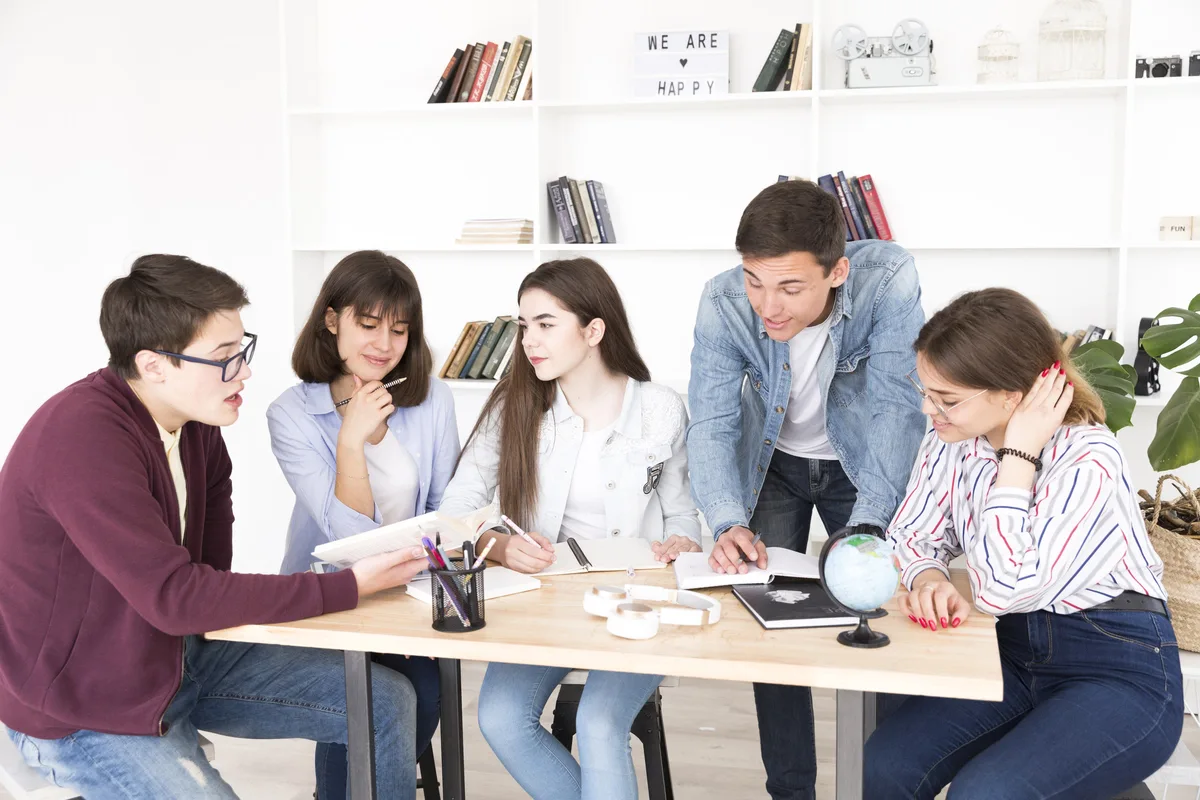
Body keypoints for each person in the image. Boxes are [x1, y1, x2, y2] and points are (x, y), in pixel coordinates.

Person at [0, 255, 429, 799]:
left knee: (384, 702)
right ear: (154, 365)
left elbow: (205, 580)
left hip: (176, 659)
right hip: (82, 704)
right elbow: (176, 597)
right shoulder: (81, 437)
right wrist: (348, 585)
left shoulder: (200, 429)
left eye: (241, 350)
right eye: (224, 357)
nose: (244, 371)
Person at [865, 287, 1182, 798]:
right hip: (1009, 652)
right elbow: (912, 533)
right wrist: (928, 578)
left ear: (1012, 395)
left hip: (1118, 665)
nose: (929, 410)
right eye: (924, 390)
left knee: (985, 793)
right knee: (887, 763)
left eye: (946, 399)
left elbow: (1003, 591)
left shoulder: (1088, 457)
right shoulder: (950, 441)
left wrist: (1017, 458)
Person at [685, 178, 927, 799]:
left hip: (861, 464)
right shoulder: (721, 303)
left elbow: (898, 408)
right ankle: (790, 791)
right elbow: (711, 422)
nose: (769, 305)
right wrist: (724, 520)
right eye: (754, 281)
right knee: (774, 623)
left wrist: (871, 523)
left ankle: (891, 782)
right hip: (774, 467)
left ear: (838, 271)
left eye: (790, 287)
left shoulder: (888, 280)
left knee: (879, 610)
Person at [438, 257, 701, 800]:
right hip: (547, 602)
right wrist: (501, 545)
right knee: (501, 718)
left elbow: (681, 513)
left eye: (545, 323)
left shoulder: (660, 409)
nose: (529, 340)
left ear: (594, 330)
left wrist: (684, 543)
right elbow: (455, 512)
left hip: (639, 598)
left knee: (601, 725)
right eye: (523, 325)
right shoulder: (513, 406)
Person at [267, 250, 457, 798]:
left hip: (412, 589)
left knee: (422, 692)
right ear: (332, 320)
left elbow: (444, 505)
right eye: (368, 324)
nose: (384, 344)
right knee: (356, 699)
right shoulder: (292, 414)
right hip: (331, 593)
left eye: (399, 330)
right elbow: (342, 538)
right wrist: (351, 438)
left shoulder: (432, 399)